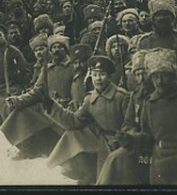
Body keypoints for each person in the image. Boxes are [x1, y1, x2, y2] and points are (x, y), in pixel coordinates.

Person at [117, 48, 177, 185]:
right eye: (155, 76)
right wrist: (132, 139)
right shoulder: (150, 102)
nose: (160, 81)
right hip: (158, 165)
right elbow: (149, 136)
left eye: (164, 75)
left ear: (173, 75)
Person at [45, 56, 129, 184]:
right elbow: (73, 121)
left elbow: (130, 123)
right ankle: (88, 174)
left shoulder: (121, 96)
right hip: (101, 139)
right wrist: (52, 107)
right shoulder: (90, 99)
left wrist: (124, 138)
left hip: (120, 142)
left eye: (102, 74)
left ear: (110, 77)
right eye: (95, 75)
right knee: (72, 134)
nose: (98, 79)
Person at [97, 50, 153, 185]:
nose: (141, 79)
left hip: (152, 148)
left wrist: (135, 139)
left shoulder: (159, 96)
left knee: (119, 158)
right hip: (136, 144)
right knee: (115, 158)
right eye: (137, 74)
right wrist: (130, 134)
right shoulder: (135, 96)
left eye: (144, 73)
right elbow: (128, 123)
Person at [137, 0, 177, 91]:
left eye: (166, 14)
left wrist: (173, 78)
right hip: (151, 91)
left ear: (172, 18)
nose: (162, 18)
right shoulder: (144, 41)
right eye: (158, 15)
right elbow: (140, 68)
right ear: (153, 19)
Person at [69, 44, 92, 109]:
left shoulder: (91, 79)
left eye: (82, 62)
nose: (78, 66)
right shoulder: (75, 78)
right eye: (75, 63)